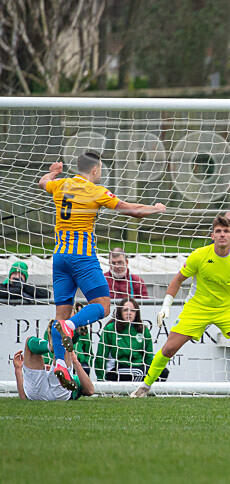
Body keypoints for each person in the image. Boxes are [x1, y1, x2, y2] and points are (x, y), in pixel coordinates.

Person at [38, 152, 166, 391]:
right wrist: (156, 208)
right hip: (82, 257)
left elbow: (42, 182)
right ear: (95, 170)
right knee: (104, 306)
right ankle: (70, 327)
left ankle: (59, 364)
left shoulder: (60, 184)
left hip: (59, 257)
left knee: (60, 315)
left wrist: (53, 171)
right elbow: (132, 210)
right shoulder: (96, 191)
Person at [130, 215, 230, 398]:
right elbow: (178, 279)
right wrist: (166, 305)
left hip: (226, 309)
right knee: (169, 349)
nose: (222, 235)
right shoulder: (199, 255)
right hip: (197, 309)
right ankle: (145, 386)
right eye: (218, 231)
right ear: (212, 235)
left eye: (226, 231)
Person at [96, 297, 161, 382]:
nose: (129, 313)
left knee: (162, 372)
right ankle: (138, 393)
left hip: (139, 367)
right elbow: (101, 356)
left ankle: (146, 393)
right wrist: (100, 379)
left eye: (132, 310)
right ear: (120, 312)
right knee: (139, 372)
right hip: (116, 369)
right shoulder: (110, 329)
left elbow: (148, 356)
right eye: (125, 310)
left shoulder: (143, 330)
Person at [13, 338, 94, 401]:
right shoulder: (73, 378)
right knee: (63, 345)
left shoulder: (75, 378)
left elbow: (90, 391)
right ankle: (51, 346)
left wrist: (75, 362)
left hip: (41, 394)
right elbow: (24, 397)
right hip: (58, 394)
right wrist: (18, 369)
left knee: (29, 341)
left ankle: (49, 346)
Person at [44, 302, 94, 376]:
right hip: (58, 364)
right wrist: (48, 362)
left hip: (78, 365)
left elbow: (89, 352)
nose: (70, 312)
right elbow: (47, 349)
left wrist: (85, 362)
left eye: (72, 310)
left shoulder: (81, 329)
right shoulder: (52, 328)